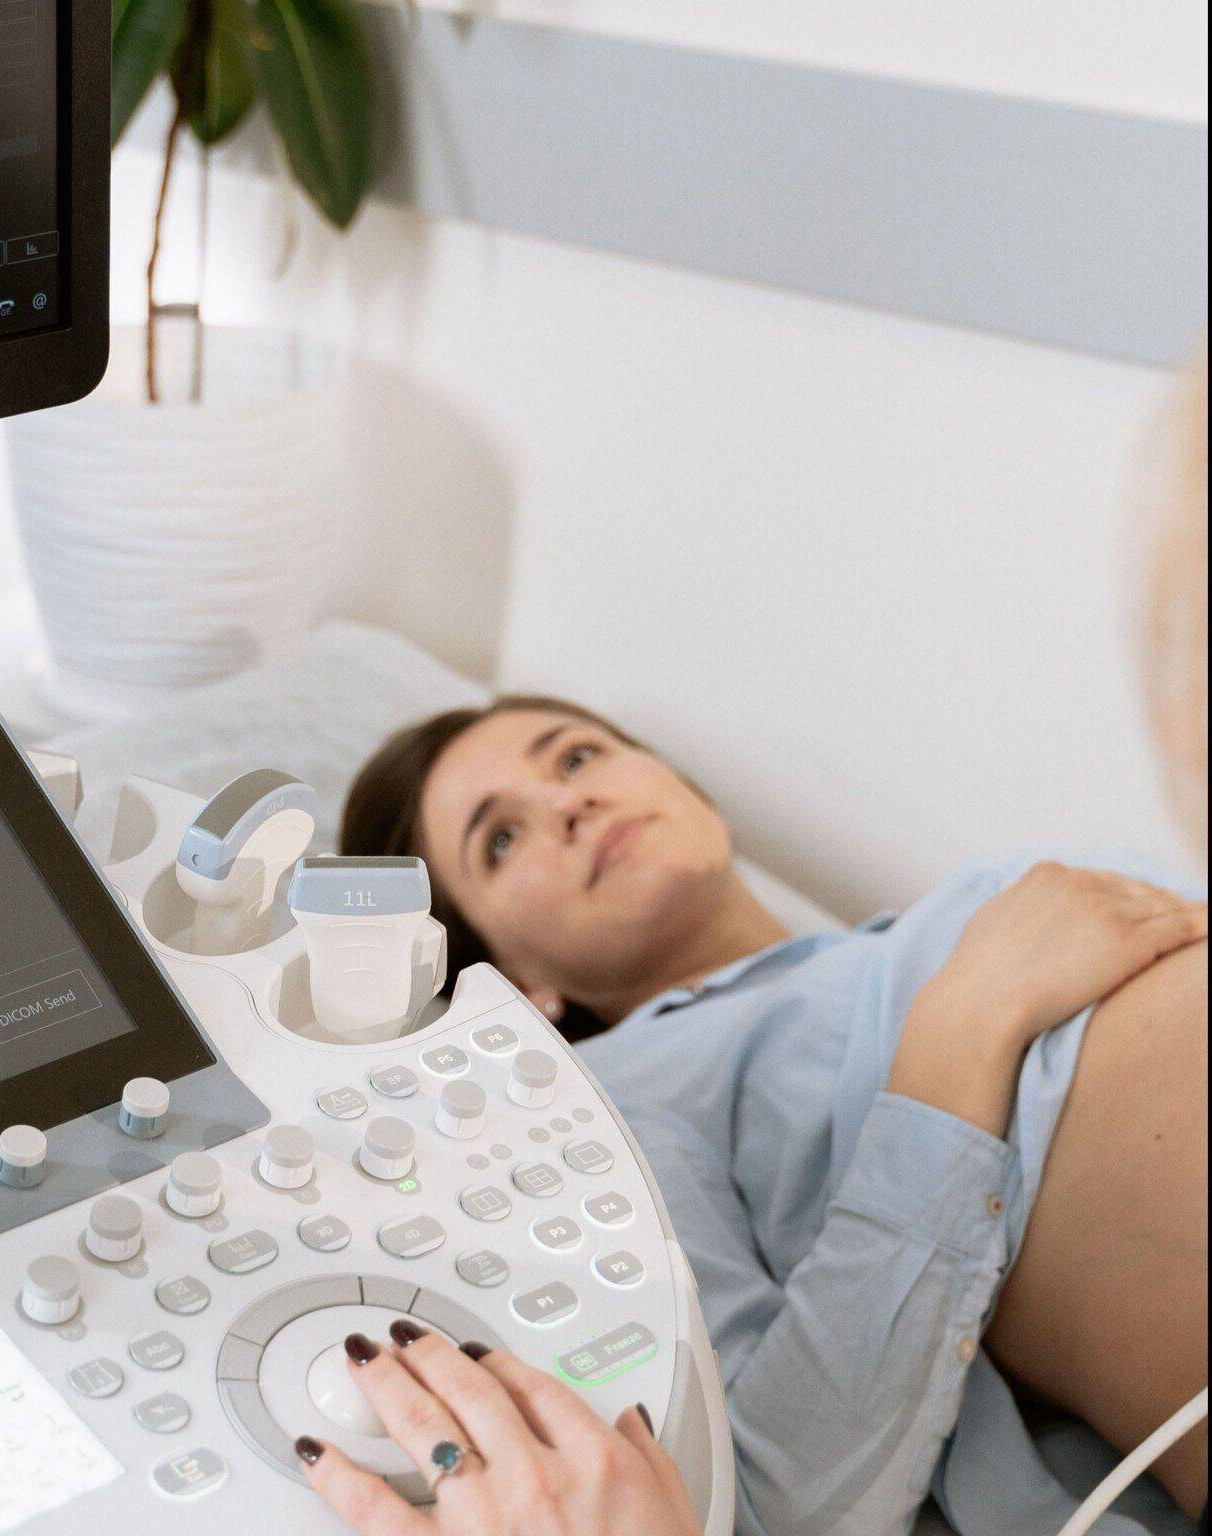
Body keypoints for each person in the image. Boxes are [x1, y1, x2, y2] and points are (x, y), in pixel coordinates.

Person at [309, 358, 1211, 1536]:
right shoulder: (611, 1109)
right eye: (502, 837)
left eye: (575, 756)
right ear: (515, 986)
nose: (570, 802)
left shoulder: (896, 938)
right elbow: (778, 1494)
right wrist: (959, 1036)